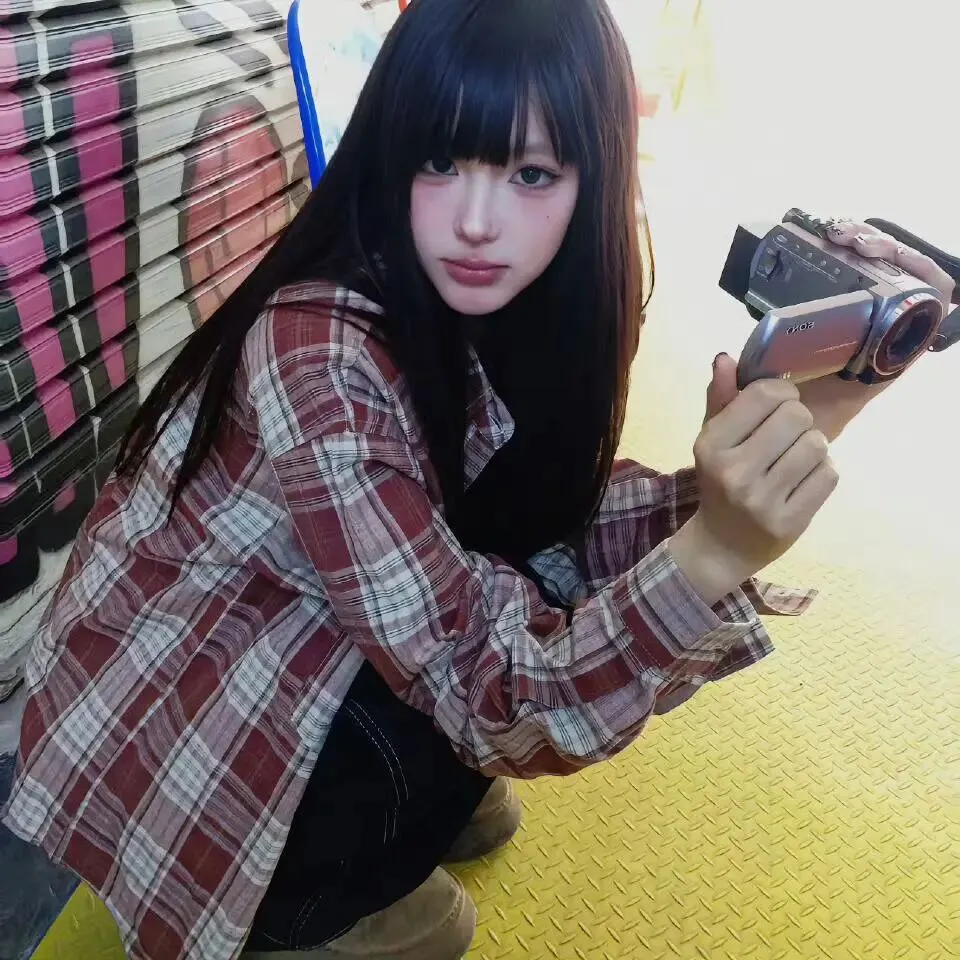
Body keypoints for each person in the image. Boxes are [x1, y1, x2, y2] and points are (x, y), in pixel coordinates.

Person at [3, 1, 954, 959]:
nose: (474, 222)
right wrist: (714, 552)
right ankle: (291, 908)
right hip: (187, 704)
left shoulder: (530, 296)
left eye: (531, 173)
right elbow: (483, 692)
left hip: (339, 608)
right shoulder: (317, 349)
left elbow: (555, 517)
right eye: (439, 159)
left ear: (594, 175)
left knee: (503, 652)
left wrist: (810, 419)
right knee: (442, 852)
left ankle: (377, 829)